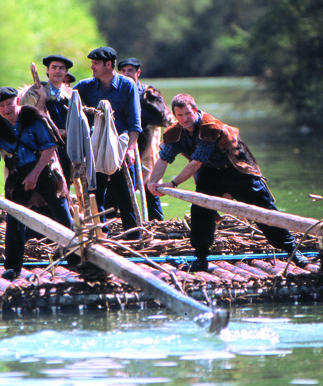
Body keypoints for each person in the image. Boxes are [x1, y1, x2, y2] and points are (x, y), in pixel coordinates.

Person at [147, 93, 310, 271]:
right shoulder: (175, 132)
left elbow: (195, 163)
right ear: (175, 115)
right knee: (201, 209)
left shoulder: (209, 126)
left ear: (195, 110)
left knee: (263, 209)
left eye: (188, 114)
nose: (185, 119)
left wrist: (173, 184)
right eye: (180, 115)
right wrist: (153, 182)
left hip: (236, 170)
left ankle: (292, 250)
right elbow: (163, 159)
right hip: (210, 174)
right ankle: (201, 257)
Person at [0, 87, 75, 280]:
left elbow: (49, 148)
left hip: (43, 168)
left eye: (9, 104)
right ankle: (13, 266)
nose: (6, 109)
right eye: (1, 106)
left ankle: (75, 259)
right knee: (14, 219)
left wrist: (34, 175)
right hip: (16, 173)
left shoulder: (34, 117)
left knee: (62, 213)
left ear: (18, 100)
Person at [73, 47, 142, 240]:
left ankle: (133, 235)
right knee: (95, 191)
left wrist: (130, 149)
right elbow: (68, 100)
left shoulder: (127, 85)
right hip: (96, 145)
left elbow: (134, 121)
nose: (92, 67)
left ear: (108, 64)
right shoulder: (85, 86)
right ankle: (101, 233)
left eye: (95, 63)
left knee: (125, 192)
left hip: (120, 145)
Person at [117, 57, 175, 221]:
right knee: (121, 187)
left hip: (147, 148)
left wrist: (136, 114)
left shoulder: (148, 93)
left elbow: (163, 118)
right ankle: (125, 222)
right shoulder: (117, 92)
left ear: (138, 73)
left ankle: (156, 223)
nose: (127, 74)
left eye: (130, 71)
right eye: (123, 71)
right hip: (124, 147)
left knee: (149, 187)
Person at [20, 54, 73, 184]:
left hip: (65, 148)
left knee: (63, 183)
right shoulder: (34, 92)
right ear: (47, 70)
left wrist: (65, 133)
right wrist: (42, 99)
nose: (57, 71)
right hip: (41, 148)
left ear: (66, 72)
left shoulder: (71, 95)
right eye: (54, 67)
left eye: (61, 68)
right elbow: (26, 121)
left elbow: (77, 123)